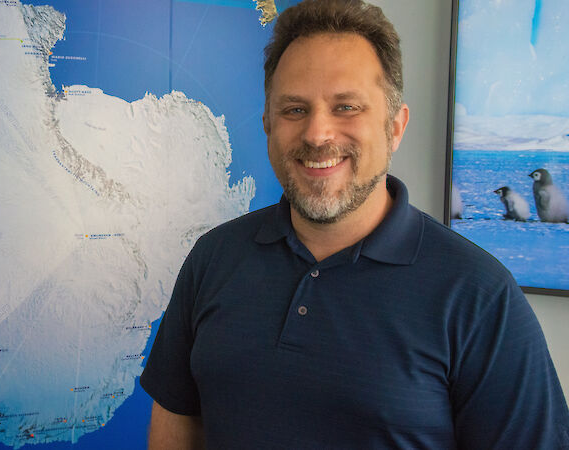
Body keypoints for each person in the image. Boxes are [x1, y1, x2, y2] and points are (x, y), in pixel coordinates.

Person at [140, 0, 569, 448]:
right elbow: (178, 422)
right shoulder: (213, 258)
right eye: (294, 109)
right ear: (268, 124)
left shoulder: (480, 297)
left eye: (346, 107)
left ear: (395, 127)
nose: (317, 134)